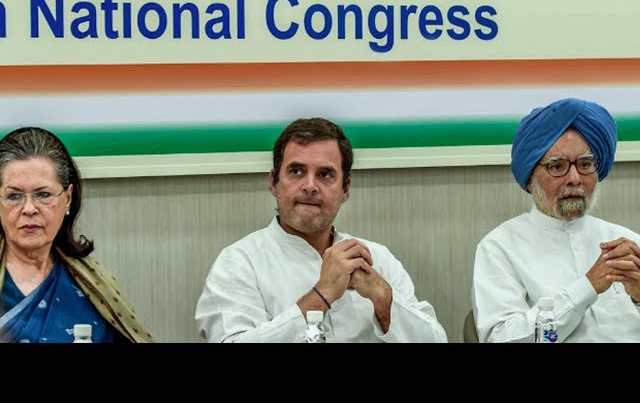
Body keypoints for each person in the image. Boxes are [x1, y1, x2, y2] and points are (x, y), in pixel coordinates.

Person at [195, 117, 447, 342]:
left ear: (345, 188)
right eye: (296, 171)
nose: (310, 186)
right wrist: (322, 294)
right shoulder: (239, 263)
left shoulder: (376, 259)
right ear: (274, 182)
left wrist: (382, 299)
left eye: (325, 174)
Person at [472, 97, 640, 343]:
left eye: (585, 164)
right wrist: (587, 287)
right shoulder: (499, 248)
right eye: (557, 166)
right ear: (531, 177)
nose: (575, 178)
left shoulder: (628, 243)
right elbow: (501, 337)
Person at [0, 127, 154, 343]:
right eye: (14, 196)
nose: (29, 208)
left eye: (43, 194)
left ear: (68, 199)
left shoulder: (94, 283)